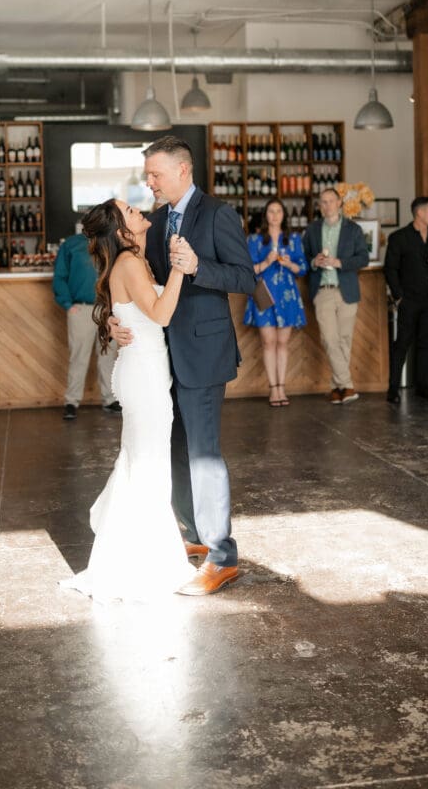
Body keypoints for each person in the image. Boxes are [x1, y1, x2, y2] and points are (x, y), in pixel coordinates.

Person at [111, 136, 256, 596]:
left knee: (204, 455)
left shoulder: (217, 214)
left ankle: (222, 556)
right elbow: (144, 287)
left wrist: (198, 267)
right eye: (147, 175)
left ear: (183, 172)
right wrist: (118, 320)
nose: (148, 183)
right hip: (160, 358)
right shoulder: (154, 224)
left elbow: (245, 278)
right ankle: (194, 536)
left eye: (155, 174)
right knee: (174, 450)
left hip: (203, 355)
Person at [60, 199, 195, 602]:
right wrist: (179, 269)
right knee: (148, 463)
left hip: (145, 368)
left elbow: (129, 310)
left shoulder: (131, 260)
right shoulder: (132, 264)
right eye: (130, 211)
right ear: (122, 232)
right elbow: (162, 314)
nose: (139, 209)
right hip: (145, 374)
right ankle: (144, 563)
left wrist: (117, 320)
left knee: (143, 461)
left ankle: (138, 555)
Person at [302, 187, 369, 403]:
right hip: (322, 290)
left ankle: (337, 387)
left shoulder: (353, 229)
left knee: (344, 340)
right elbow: (303, 258)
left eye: (330, 201)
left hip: (346, 290)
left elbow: (363, 259)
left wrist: (339, 262)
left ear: (339, 203)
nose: (326, 205)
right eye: (322, 202)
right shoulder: (312, 230)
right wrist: (314, 261)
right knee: (329, 339)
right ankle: (347, 385)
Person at [243, 197, 308, 407]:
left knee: (282, 343)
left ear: (284, 215)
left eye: (279, 211)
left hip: (287, 295)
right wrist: (266, 262)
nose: (275, 215)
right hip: (263, 293)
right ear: (265, 215)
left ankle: (282, 387)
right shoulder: (254, 240)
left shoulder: (294, 239)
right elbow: (247, 271)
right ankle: (273, 389)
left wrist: (290, 264)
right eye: (271, 211)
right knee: (268, 342)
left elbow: (303, 268)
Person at [384, 196, 428, 403]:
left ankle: (423, 386)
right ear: (420, 213)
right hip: (409, 299)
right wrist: (399, 296)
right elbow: (390, 269)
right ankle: (393, 388)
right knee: (402, 343)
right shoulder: (399, 237)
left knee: (425, 343)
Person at [53, 232, 121, 421]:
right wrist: (68, 304)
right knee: (78, 357)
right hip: (81, 309)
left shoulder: (112, 243)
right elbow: (60, 276)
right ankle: (71, 401)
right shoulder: (71, 244)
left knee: (108, 356)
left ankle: (110, 400)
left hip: (108, 309)